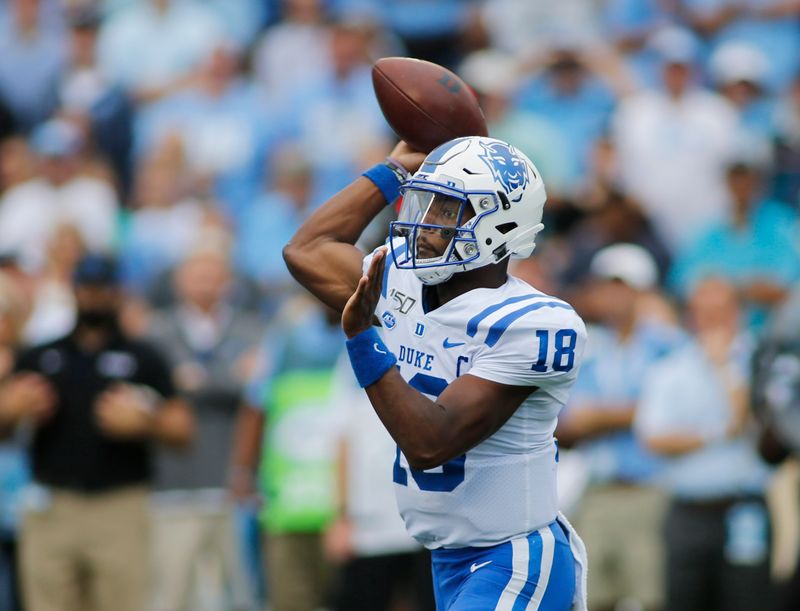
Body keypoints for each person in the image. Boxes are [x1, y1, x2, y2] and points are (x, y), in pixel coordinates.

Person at [284, 135, 588, 610]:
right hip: (447, 559)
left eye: (446, 211)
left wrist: (363, 339)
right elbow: (307, 249)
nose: (424, 226)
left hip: (513, 559)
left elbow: (431, 442)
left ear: (499, 225)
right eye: (425, 205)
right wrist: (389, 172)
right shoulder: (402, 280)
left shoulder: (534, 323)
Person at [0, 254, 193, 611]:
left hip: (119, 503)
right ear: (73, 291)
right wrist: (11, 409)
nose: (94, 297)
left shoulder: (143, 357)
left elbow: (183, 430)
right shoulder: (42, 356)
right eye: (87, 288)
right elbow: (5, 426)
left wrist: (146, 422)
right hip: (52, 503)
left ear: (118, 293)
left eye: (102, 289)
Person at [636, 277, 774, 611]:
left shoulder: (759, 360)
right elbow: (654, 437)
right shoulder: (670, 369)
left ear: (738, 314)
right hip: (688, 510)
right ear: (691, 318)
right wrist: (714, 434)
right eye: (705, 313)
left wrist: (724, 367)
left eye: (722, 312)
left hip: (744, 506)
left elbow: (746, 423)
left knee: (748, 600)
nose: (714, 321)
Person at [147, 244, 263, 611]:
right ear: (180, 281)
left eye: (213, 274)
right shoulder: (157, 332)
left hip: (233, 482)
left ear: (228, 281)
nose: (205, 283)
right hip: (173, 481)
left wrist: (195, 382)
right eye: (197, 274)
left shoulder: (250, 327)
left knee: (239, 595)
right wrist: (228, 378)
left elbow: (255, 389)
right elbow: (155, 397)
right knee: (171, 593)